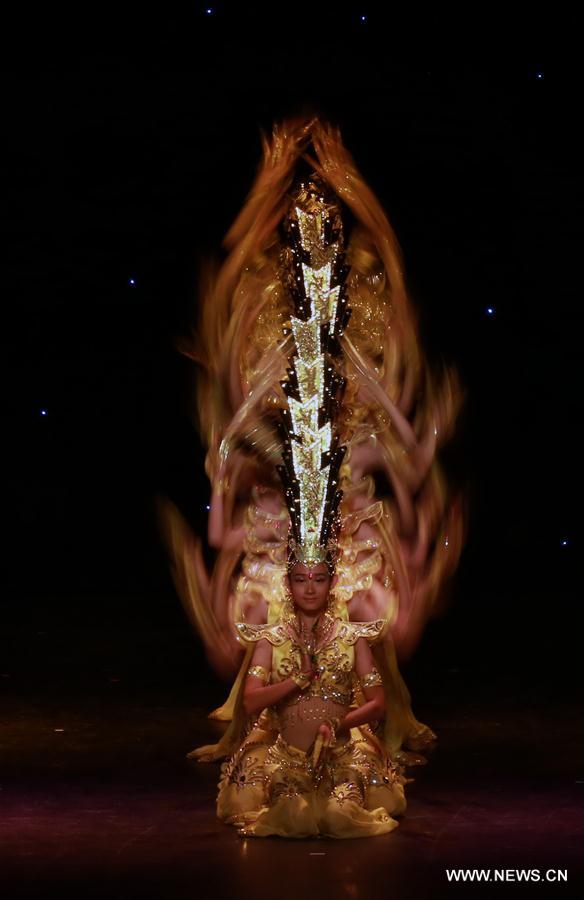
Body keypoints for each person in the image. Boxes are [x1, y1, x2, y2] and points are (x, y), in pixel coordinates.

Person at [159, 116, 465, 839]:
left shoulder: (360, 336)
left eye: (330, 237)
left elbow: (385, 410)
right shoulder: (271, 326)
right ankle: (263, 736)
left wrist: (352, 191)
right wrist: (270, 193)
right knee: (265, 604)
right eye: (309, 240)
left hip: (345, 493)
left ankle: (359, 733)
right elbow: (243, 412)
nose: (322, 249)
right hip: (288, 492)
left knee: (364, 607)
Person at [216, 558, 407, 838]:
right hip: (286, 759)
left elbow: (378, 704)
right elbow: (250, 702)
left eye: (318, 579)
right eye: (300, 579)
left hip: (341, 757)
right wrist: (297, 680)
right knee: (293, 818)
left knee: (340, 818)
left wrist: (339, 724)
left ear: (332, 584)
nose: (309, 588)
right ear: (288, 584)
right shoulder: (271, 640)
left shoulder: (352, 638)